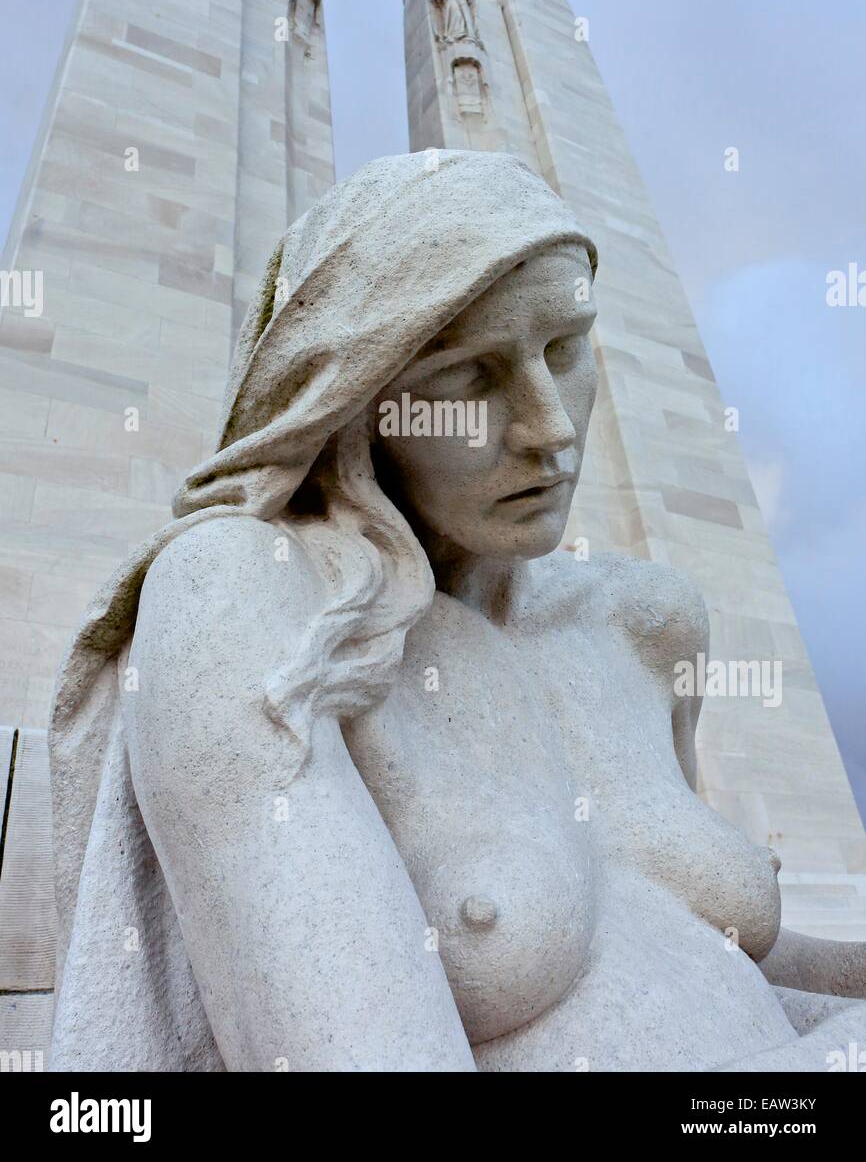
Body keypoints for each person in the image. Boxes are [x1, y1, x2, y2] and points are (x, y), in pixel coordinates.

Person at [48, 150, 866, 1071]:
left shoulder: (648, 627)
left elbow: (688, 952)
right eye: (465, 377)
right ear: (352, 402)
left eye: (565, 350)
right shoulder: (250, 599)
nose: (549, 426)